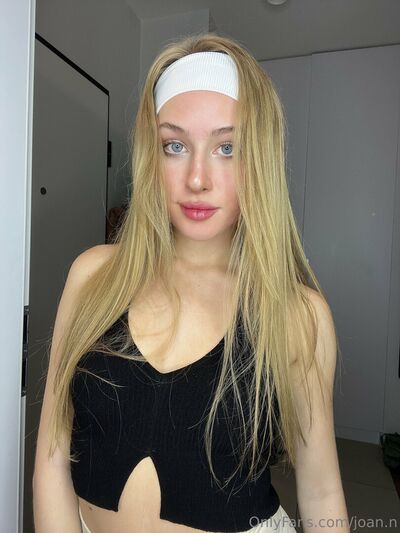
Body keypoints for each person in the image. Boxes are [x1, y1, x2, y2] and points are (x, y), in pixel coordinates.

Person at [33, 32, 350, 533]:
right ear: (151, 154)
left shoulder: (296, 314)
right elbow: (52, 453)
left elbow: (321, 491)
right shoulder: (93, 277)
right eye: (175, 146)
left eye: (227, 147)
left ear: (259, 159)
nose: (197, 178)